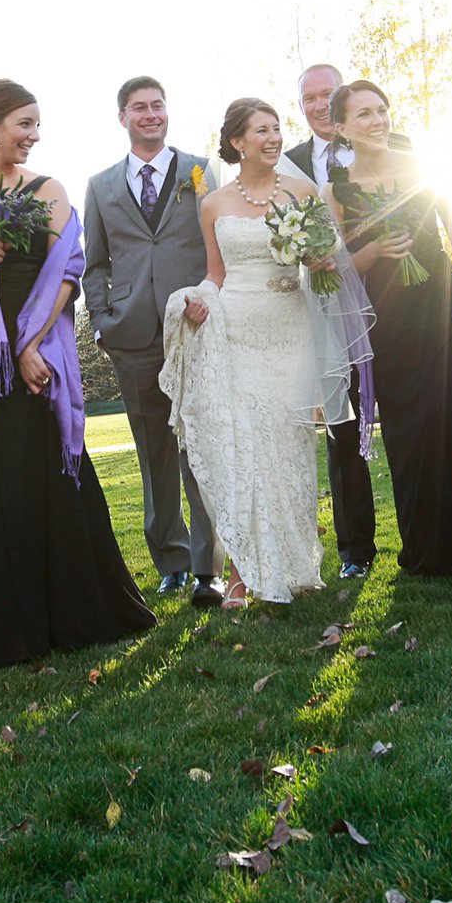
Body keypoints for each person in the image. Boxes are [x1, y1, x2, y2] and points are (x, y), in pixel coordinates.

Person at [0, 79, 154, 666]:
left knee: (53, 479)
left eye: (37, 125)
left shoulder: (48, 190)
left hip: (40, 349)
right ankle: (1, 631)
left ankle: (80, 617)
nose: (33, 136)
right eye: (24, 123)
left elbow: (68, 272)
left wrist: (30, 344)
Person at [163, 99, 362, 606]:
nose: (273, 138)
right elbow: (215, 275)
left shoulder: (304, 192)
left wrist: (321, 263)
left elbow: (329, 263)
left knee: (289, 449)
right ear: (237, 142)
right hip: (235, 332)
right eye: (261, 131)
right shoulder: (213, 204)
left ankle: (294, 563)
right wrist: (196, 301)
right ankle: (240, 573)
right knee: (246, 452)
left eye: (277, 129)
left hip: (289, 328)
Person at [326, 80, 452, 575]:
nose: (377, 121)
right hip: (385, 319)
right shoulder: (337, 189)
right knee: (410, 430)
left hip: (441, 305)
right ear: (341, 128)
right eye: (364, 115)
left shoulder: (423, 168)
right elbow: (330, 268)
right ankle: (430, 548)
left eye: (382, 111)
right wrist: (372, 253)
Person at [81, 76, 222, 606]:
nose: (150, 115)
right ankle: (171, 557)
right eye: (139, 108)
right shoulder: (100, 185)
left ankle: (207, 566)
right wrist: (102, 321)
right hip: (132, 334)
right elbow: (95, 262)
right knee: (153, 450)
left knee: (199, 446)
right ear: (123, 117)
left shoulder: (200, 170)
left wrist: (212, 298)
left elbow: (220, 240)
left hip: (195, 326)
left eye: (157, 106)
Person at [284, 62, 377, 579]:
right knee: (341, 424)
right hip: (321, 309)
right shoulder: (290, 163)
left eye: (327, 95)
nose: (318, 106)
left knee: (407, 414)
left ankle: (425, 528)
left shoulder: (385, 141)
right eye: (308, 99)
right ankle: (354, 549)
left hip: (390, 294)